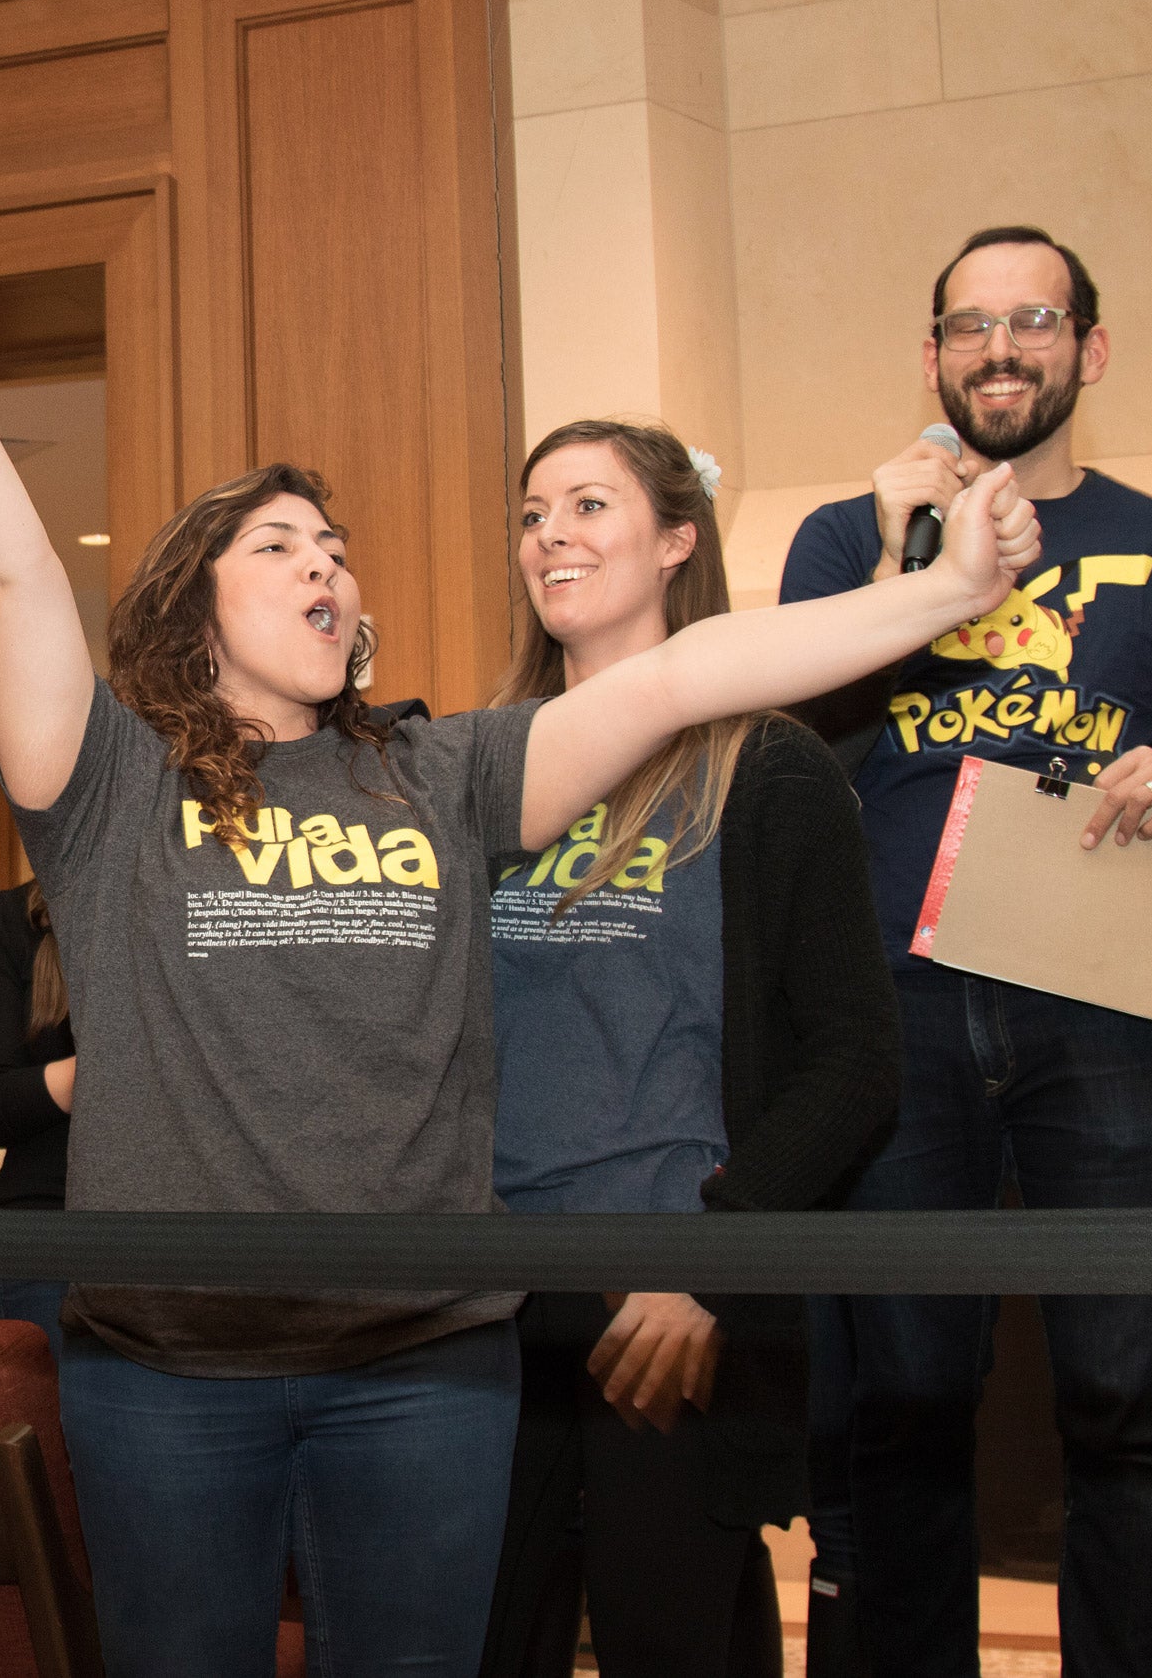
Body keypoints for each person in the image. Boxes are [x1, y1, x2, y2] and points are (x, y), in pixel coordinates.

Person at [0, 177, 1040, 1678]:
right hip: (168, 1368)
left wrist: (946, 588)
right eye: (276, 546)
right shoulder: (108, 784)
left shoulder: (447, 770)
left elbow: (680, 681)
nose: (322, 563)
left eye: (334, 547)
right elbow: (7, 552)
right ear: (194, 604)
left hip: (423, 1370)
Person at [779, 226, 1152, 1678]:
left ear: (1087, 349)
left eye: (1031, 320)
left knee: (1128, 1390)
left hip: (1107, 1006)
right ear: (930, 358)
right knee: (901, 1397)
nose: (998, 348)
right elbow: (788, 757)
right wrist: (903, 552)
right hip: (890, 1012)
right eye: (966, 326)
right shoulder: (845, 541)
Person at [474, 421, 899, 1678]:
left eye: (590, 505)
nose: (551, 532)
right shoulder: (478, 765)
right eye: (534, 508)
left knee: (681, 1643)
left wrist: (707, 1265)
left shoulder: (772, 768)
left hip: (669, 1303)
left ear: (676, 542)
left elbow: (855, 1060)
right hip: (484, 1297)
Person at [0, 879, 74, 1359]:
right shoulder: (4, 922)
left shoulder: (192, 913)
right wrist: (114, 1066)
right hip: (46, 1240)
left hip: (181, 1230)